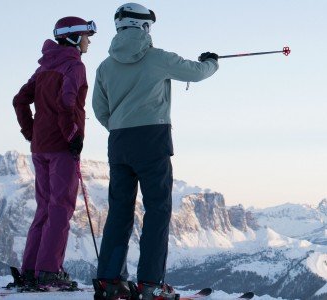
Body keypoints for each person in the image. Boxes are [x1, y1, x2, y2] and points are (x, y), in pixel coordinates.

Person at [90, 3, 219, 299]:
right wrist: (211, 61)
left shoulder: (105, 66)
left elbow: (99, 109)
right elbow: (197, 72)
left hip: (119, 141)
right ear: (143, 26)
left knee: (119, 211)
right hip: (151, 138)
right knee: (157, 210)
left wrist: (120, 124)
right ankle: (150, 284)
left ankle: (110, 282)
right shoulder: (156, 58)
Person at [11, 16, 97, 291]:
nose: (89, 41)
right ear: (73, 37)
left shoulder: (44, 67)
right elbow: (66, 102)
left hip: (41, 146)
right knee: (61, 208)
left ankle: (31, 270)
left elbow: (19, 100)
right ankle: (48, 271)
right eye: (86, 35)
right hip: (61, 147)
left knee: (45, 207)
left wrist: (31, 132)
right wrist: (72, 136)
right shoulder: (75, 66)